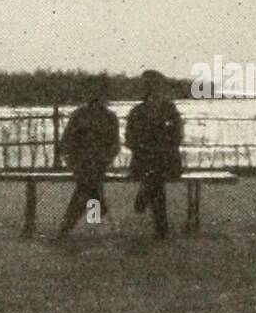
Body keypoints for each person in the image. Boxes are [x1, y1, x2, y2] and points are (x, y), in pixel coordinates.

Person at [56, 81, 120, 237]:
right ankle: (99, 222)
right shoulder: (79, 115)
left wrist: (105, 160)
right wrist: (73, 163)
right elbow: (67, 142)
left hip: (98, 164)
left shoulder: (110, 117)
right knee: (91, 188)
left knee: (86, 189)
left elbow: (114, 144)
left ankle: (68, 227)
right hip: (82, 165)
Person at [124, 70, 184, 239]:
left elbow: (176, 137)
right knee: (155, 178)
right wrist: (146, 150)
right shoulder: (137, 111)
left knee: (154, 176)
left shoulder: (170, 110)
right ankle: (161, 228)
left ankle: (145, 193)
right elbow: (130, 139)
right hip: (146, 162)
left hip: (165, 162)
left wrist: (158, 150)